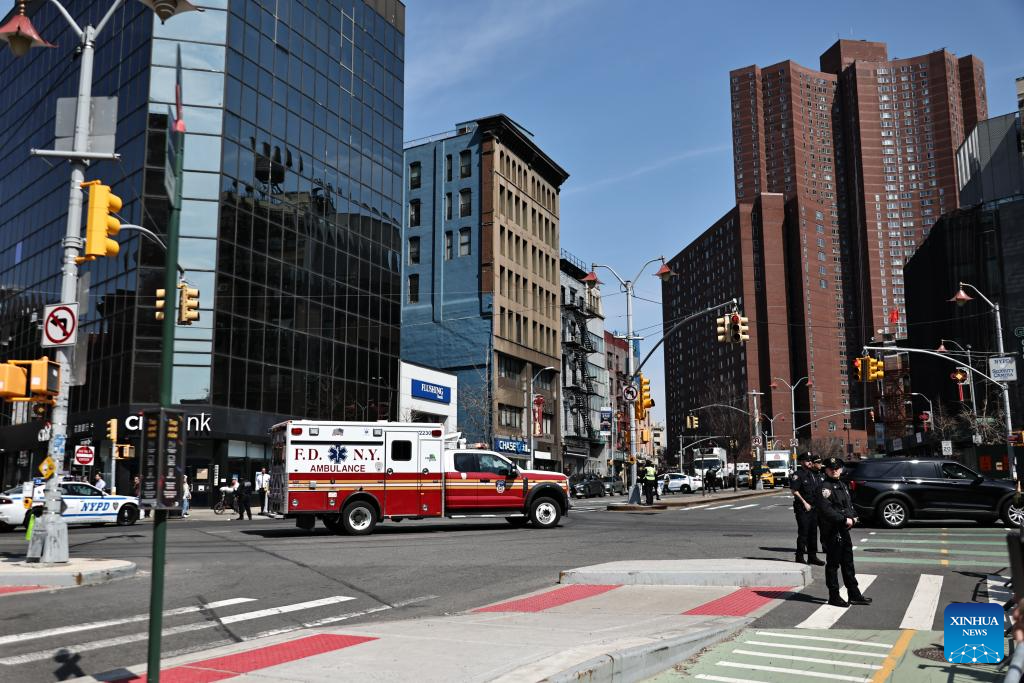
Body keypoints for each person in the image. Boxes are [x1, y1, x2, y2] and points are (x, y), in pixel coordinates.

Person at [817, 457, 871, 607]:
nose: (834, 470)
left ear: (841, 469)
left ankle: (854, 593)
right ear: (826, 470)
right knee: (833, 565)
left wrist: (854, 517)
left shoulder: (842, 484)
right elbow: (826, 510)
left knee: (848, 563)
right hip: (832, 530)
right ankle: (834, 596)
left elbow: (848, 505)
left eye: (837, 468)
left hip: (843, 530)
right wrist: (844, 520)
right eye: (831, 468)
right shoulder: (824, 487)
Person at [791, 454, 825, 566]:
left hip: (814, 508)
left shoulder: (813, 474)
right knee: (804, 532)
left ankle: (812, 556)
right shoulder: (798, 474)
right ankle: (799, 556)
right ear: (801, 462)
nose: (810, 462)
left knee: (813, 533)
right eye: (807, 461)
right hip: (803, 508)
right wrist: (804, 503)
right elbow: (794, 491)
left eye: (810, 460)